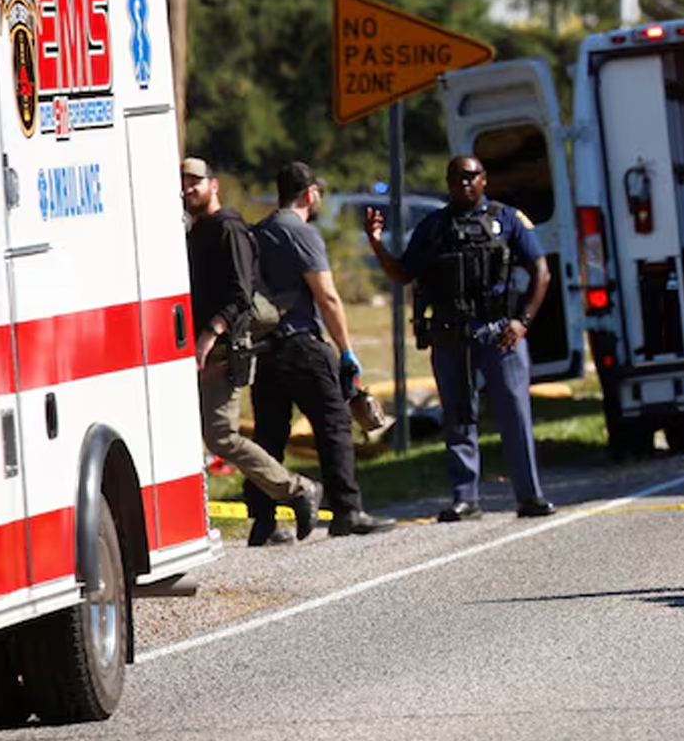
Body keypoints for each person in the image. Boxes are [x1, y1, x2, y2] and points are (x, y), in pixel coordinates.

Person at [364, 155, 557, 521]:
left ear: (484, 179)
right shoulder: (434, 226)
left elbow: (541, 271)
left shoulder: (507, 220)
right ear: (448, 182)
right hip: (451, 337)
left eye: (470, 176)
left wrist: (522, 322)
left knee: (515, 416)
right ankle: (465, 498)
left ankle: (530, 495)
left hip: (501, 336)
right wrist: (376, 244)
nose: (464, 183)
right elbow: (404, 274)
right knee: (457, 418)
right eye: (456, 177)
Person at [249, 162, 396, 537]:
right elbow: (327, 296)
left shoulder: (258, 232)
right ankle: (347, 511)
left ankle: (263, 522)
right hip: (302, 345)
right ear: (309, 194)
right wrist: (346, 349)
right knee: (333, 426)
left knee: (268, 436)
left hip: (264, 350)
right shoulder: (303, 233)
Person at [182, 158, 323, 547]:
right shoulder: (196, 231)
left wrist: (211, 333)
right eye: (183, 183)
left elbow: (241, 294)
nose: (188, 189)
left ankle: (299, 489)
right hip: (199, 348)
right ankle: (257, 519)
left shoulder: (229, 229)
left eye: (195, 182)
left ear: (214, 185)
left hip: (224, 348)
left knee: (221, 437)